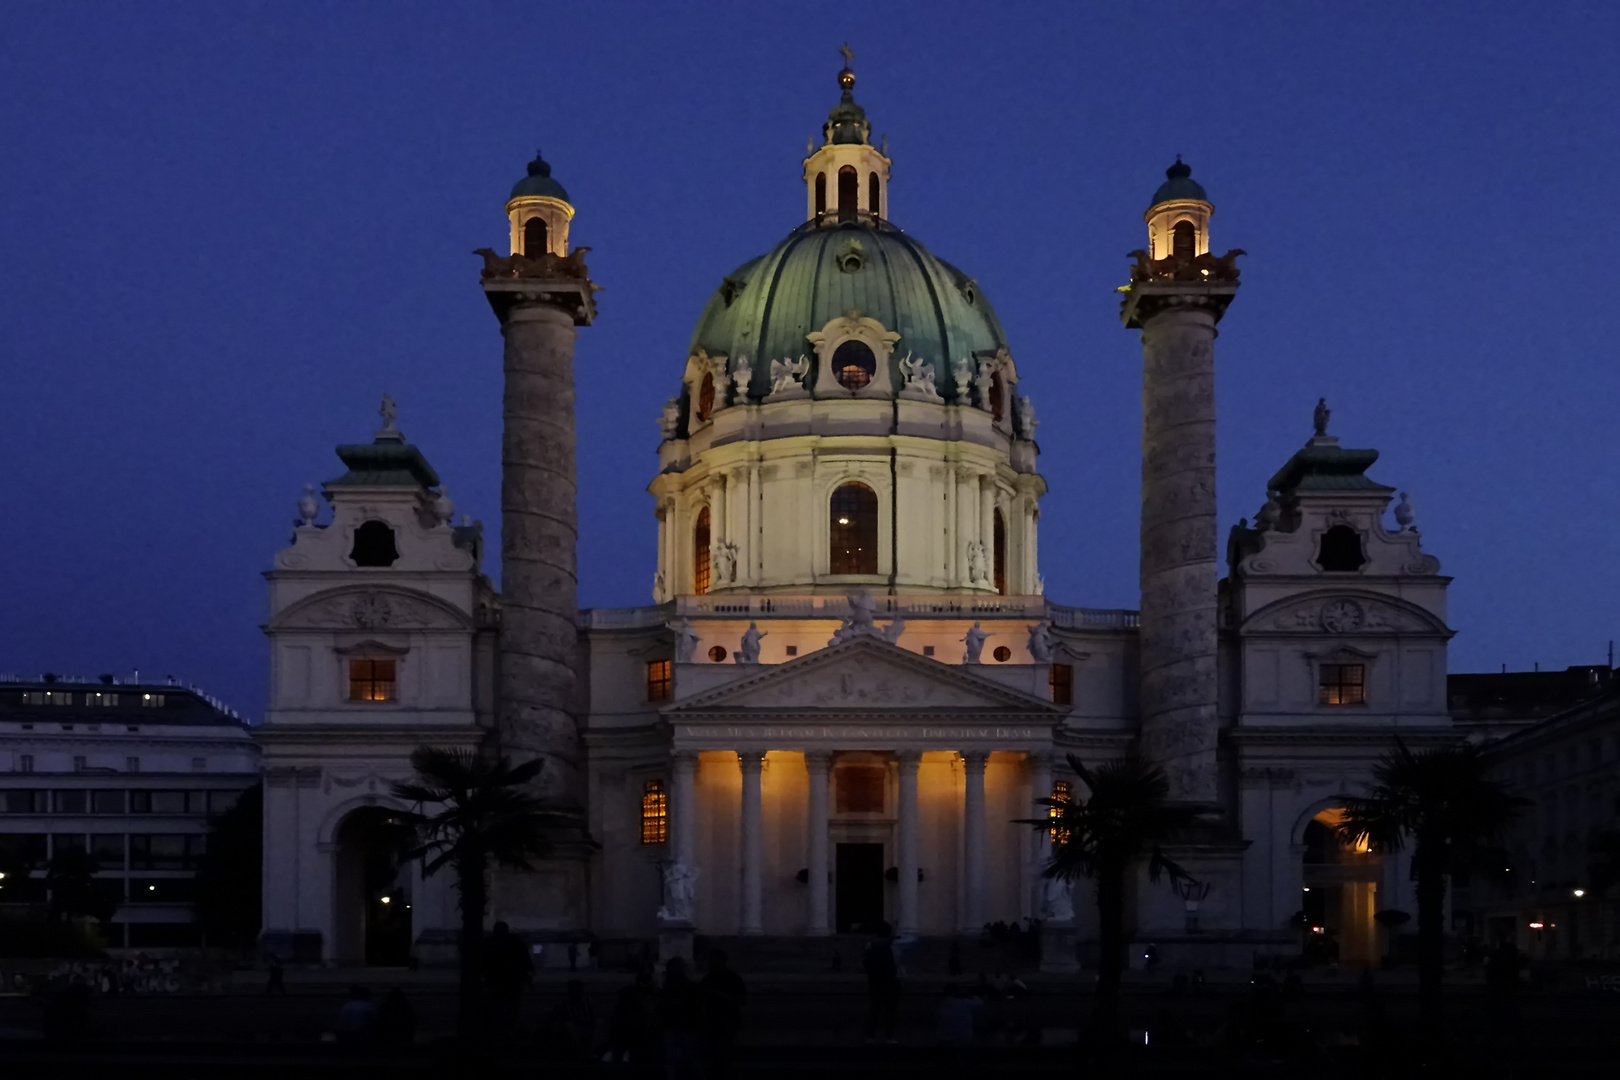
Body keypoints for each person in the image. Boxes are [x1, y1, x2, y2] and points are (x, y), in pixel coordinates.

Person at [700, 949, 747, 1078]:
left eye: (714, 960)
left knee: (723, 1052)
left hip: (727, 1019)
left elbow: (743, 999)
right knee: (713, 1052)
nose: (711, 963)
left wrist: (723, 996)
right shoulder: (708, 979)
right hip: (712, 1020)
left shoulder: (733, 978)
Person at [484, 921, 533, 1040]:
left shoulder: (490, 942)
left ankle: (499, 1031)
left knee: (497, 1006)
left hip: (497, 980)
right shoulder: (516, 942)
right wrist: (528, 977)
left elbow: (484, 961)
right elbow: (524, 960)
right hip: (513, 980)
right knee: (512, 1008)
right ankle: (509, 1030)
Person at [660, 957, 704, 1079]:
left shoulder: (668, 986)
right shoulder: (689, 986)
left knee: (680, 1058)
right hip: (683, 1025)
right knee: (683, 1057)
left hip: (679, 1025)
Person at [607, 970, 657, 1066]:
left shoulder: (628, 993)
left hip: (623, 1030)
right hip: (632, 1030)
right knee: (634, 1059)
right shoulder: (641, 994)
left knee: (621, 1059)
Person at [863, 923, 901, 1044]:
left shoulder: (870, 945)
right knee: (890, 1010)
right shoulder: (894, 946)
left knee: (874, 1009)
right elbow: (897, 962)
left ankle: (870, 1036)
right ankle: (889, 1037)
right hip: (890, 981)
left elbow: (866, 962)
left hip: (874, 981)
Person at [545, 979, 597, 1061]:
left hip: (585, 1028)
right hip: (572, 1030)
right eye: (574, 991)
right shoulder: (563, 1004)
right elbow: (553, 1019)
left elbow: (594, 1017)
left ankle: (588, 1051)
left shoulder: (588, 1002)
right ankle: (582, 1053)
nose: (577, 993)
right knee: (569, 1026)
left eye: (579, 991)